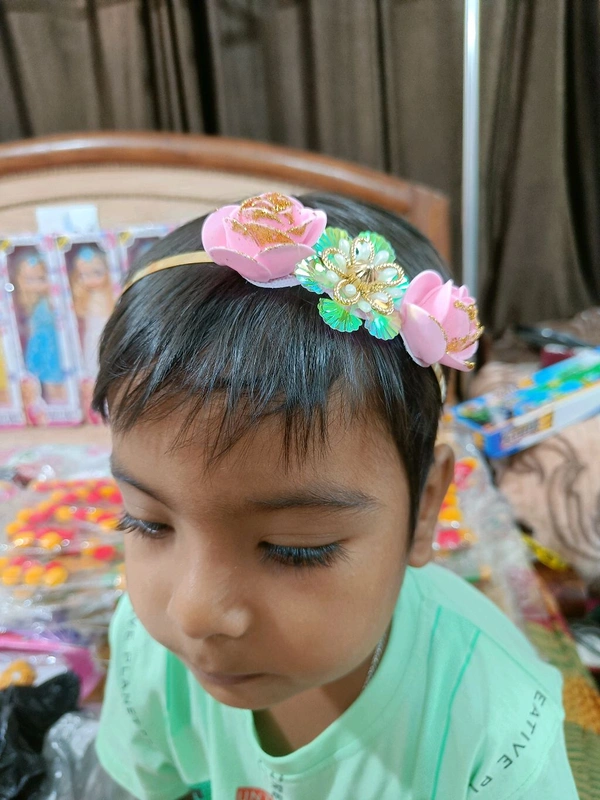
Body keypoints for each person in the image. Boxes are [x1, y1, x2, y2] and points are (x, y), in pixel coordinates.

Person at [94, 193, 578, 800]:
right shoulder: (145, 652)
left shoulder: (493, 727)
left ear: (425, 505)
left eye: (295, 549)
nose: (195, 613)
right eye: (147, 523)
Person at [13, 254, 65, 404]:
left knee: (56, 377)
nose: (36, 285)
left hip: (53, 344)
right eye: (29, 280)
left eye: (41, 278)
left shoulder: (50, 301)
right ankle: (51, 404)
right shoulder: (31, 302)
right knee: (43, 380)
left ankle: (61, 403)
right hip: (39, 343)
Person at [69, 246, 116, 378]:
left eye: (97, 272)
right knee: (93, 361)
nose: (91, 279)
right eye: (84, 275)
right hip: (92, 336)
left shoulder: (108, 296)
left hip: (109, 332)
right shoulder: (84, 297)